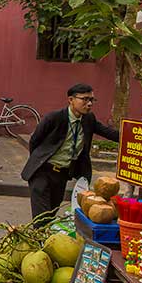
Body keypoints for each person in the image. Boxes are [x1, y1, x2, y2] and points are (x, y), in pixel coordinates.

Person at [22, 83, 119, 224]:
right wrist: (38, 161)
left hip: (62, 174)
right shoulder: (54, 118)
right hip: (42, 171)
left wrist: (135, 135)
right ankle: (41, 243)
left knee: (51, 213)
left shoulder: (88, 119)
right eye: (84, 99)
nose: (89, 103)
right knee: (41, 218)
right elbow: (35, 141)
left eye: (92, 100)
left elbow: (108, 133)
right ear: (71, 100)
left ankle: (45, 241)